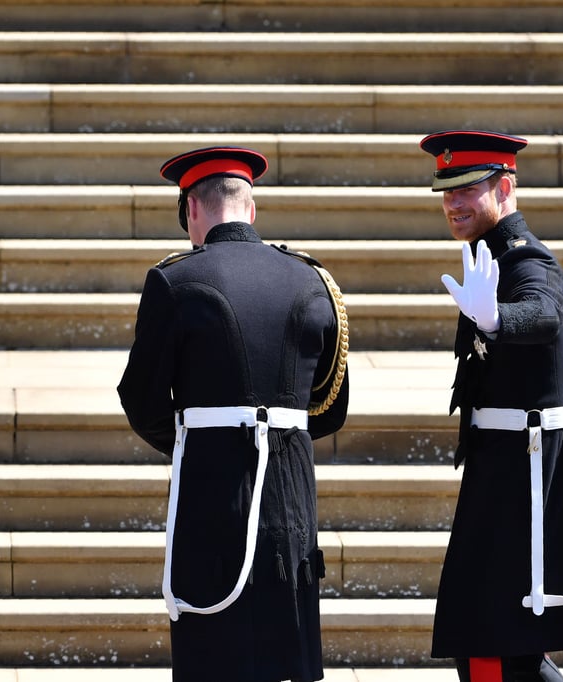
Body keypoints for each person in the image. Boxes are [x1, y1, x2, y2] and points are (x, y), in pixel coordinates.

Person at [117, 146, 350, 682]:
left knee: (213, 662)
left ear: (192, 211)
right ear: (252, 208)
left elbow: (143, 401)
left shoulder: (173, 282)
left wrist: (205, 442)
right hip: (291, 511)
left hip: (212, 506)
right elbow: (330, 409)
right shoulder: (315, 282)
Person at [420, 130, 563, 681]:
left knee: (495, 645)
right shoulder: (491, 258)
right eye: (447, 192)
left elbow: (545, 312)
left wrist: (498, 320)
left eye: (467, 191)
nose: (453, 204)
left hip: (526, 483)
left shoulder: (528, 261)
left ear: (505, 188)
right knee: (488, 644)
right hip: (502, 473)